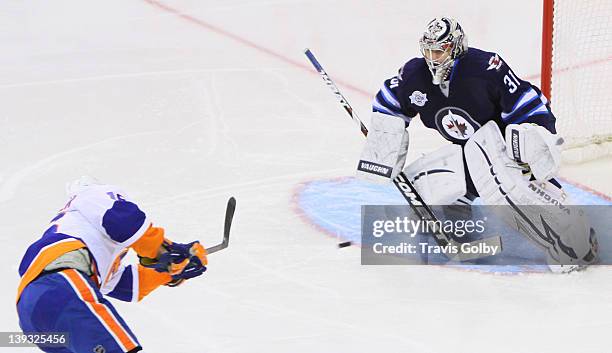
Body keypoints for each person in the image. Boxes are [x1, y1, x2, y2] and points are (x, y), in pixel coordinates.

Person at [356, 17, 598, 270]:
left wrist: (533, 139)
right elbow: (389, 101)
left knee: (503, 182)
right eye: (428, 50)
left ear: (456, 46)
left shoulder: (486, 68)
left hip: (507, 154)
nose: (432, 57)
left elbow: (529, 102)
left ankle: (575, 237)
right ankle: (460, 232)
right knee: (427, 187)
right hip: (470, 154)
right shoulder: (415, 75)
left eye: (439, 50)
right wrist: (384, 146)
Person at [16, 176, 207, 352]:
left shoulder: (89, 245)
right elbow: (124, 220)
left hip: (33, 317)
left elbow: (128, 286)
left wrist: (171, 271)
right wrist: (168, 250)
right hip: (60, 289)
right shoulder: (90, 195)